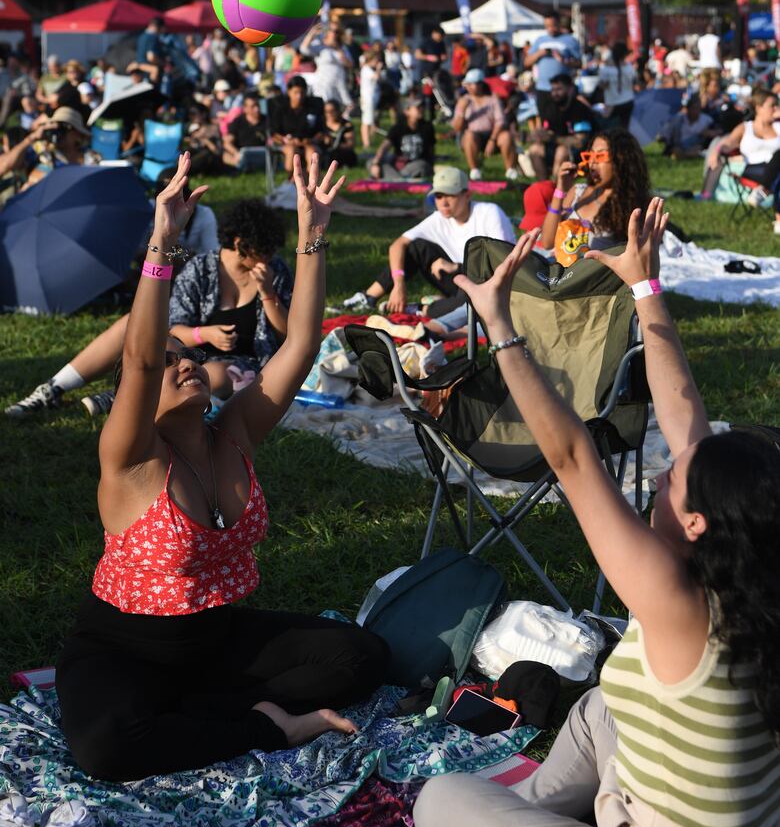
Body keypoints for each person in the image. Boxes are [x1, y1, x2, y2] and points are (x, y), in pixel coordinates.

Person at [414, 200, 780, 827]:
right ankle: (536, 813)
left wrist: (499, 324)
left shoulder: (678, 604)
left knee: (437, 805)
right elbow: (685, 414)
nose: (665, 467)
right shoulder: (752, 573)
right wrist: (645, 290)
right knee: (601, 707)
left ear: (697, 523)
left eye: (674, 476)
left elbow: (574, 459)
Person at [53, 152, 388, 784]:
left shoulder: (233, 430)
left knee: (359, 654)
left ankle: (204, 712)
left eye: (191, 359)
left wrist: (311, 235)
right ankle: (264, 724)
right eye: (171, 361)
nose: (185, 365)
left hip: (215, 643)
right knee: (109, 752)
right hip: (124, 649)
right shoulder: (130, 460)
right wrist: (164, 241)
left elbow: (302, 344)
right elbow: (141, 355)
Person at [5, 197, 280, 418]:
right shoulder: (202, 268)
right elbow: (173, 326)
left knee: (219, 374)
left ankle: (122, 397)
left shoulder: (275, 273)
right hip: (184, 351)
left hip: (239, 363)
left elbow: (287, 334)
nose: (269, 257)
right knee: (132, 323)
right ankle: (54, 387)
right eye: (264, 249)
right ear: (239, 243)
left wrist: (268, 294)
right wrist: (204, 335)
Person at [343, 165, 515, 317]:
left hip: (493, 285)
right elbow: (398, 245)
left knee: (474, 303)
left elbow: (501, 264)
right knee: (416, 247)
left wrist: (456, 267)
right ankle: (369, 297)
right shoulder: (438, 218)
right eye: (438, 196)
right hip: (460, 282)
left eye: (450, 195)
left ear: (467, 195)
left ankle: (422, 309)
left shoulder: (490, 213)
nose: (443, 203)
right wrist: (399, 283)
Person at [539, 127, 650, 267]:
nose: (592, 162)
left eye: (600, 156)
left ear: (621, 159)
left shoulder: (632, 204)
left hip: (594, 280)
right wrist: (560, 190)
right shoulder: (577, 192)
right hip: (559, 272)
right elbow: (547, 242)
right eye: (590, 156)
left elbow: (637, 260)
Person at [701, 88, 780, 228]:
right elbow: (727, 143)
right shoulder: (746, 128)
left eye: (777, 105)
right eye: (772, 105)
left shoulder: (778, 127)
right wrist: (716, 151)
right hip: (754, 170)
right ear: (759, 108)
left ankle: (764, 191)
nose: (776, 108)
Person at [526, 73, 594, 182]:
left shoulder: (580, 110)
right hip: (555, 147)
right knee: (534, 150)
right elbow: (545, 131)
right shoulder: (550, 108)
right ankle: (544, 186)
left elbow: (580, 141)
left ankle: (557, 189)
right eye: (552, 89)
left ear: (570, 89)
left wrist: (553, 139)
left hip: (579, 154)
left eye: (559, 89)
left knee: (562, 151)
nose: (554, 93)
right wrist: (534, 136)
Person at [452, 69, 518, 181]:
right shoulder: (463, 101)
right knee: (469, 136)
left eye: (471, 84)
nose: (468, 87)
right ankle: (475, 171)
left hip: (492, 134)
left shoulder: (493, 99)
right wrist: (462, 111)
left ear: (480, 84)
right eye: (467, 84)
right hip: (473, 136)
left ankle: (510, 171)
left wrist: (492, 140)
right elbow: (457, 128)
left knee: (506, 136)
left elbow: (500, 122)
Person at [524, 8, 581, 127]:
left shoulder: (570, 40)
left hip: (562, 89)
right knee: (545, 120)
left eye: (553, 25)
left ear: (559, 23)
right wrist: (539, 53)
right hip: (543, 88)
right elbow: (527, 62)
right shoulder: (540, 40)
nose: (550, 29)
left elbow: (579, 63)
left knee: (563, 121)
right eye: (547, 26)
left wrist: (564, 60)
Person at [370, 93, 435, 181]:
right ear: (407, 111)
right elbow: (385, 146)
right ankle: (399, 179)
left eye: (422, 107)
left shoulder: (427, 127)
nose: (421, 109)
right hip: (399, 164)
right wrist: (376, 163)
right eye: (417, 107)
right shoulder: (398, 127)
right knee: (371, 162)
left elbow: (431, 152)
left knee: (421, 165)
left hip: (418, 164)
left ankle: (394, 178)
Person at [267, 76, 324, 173]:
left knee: (312, 152)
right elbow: (273, 132)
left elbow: (321, 130)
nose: (299, 96)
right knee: (292, 151)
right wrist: (285, 140)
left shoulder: (313, 107)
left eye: (302, 92)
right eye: (296, 92)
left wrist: (311, 140)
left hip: (309, 142)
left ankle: (312, 182)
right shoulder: (279, 107)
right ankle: (292, 179)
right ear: (289, 92)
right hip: (286, 143)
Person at [222, 93, 266, 172]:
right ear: (245, 109)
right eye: (253, 106)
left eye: (257, 105)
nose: (257, 109)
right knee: (225, 156)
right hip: (242, 155)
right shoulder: (238, 122)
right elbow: (227, 143)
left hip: (263, 155)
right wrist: (236, 153)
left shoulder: (266, 120)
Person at [597, 41, 636, 127]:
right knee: (625, 128)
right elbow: (633, 81)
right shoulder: (629, 67)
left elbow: (601, 86)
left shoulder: (605, 69)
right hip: (629, 101)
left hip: (613, 104)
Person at [317, 99, 357, 168]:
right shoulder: (320, 123)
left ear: (338, 111)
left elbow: (350, 145)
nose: (329, 114)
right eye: (327, 111)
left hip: (341, 152)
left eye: (332, 111)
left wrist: (333, 142)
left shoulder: (346, 125)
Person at [359, 51, 381, 149]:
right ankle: (366, 143)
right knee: (366, 121)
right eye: (376, 60)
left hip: (371, 98)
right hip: (367, 98)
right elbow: (377, 77)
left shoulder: (368, 69)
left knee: (370, 120)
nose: (377, 62)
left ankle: (369, 142)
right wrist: (379, 69)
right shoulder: (366, 69)